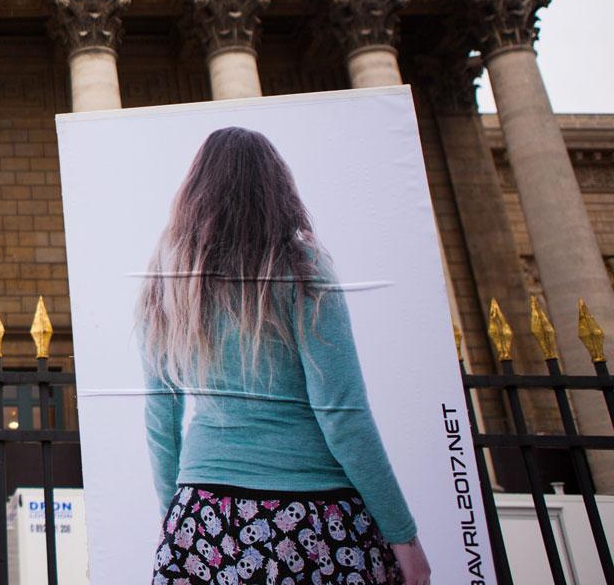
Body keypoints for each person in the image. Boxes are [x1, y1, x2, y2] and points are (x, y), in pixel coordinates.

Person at [138, 127, 431, 585]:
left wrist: (176, 516)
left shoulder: (168, 279)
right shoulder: (301, 266)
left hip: (204, 515)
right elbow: (342, 413)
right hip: (314, 516)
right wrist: (404, 537)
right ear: (276, 186)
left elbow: (161, 414)